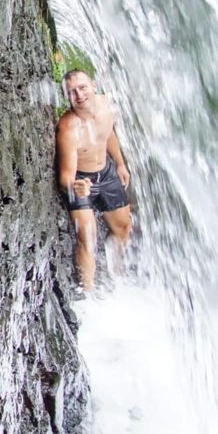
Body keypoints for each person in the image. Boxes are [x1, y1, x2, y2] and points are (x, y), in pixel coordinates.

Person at [55, 69, 132, 291]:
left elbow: (106, 133)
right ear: (67, 97)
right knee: (87, 236)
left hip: (106, 173)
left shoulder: (106, 107)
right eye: (71, 92)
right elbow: (65, 176)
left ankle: (115, 275)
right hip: (80, 180)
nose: (78, 95)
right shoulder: (68, 128)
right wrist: (75, 187)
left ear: (94, 86)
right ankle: (86, 291)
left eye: (82, 88)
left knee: (123, 227)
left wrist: (119, 163)